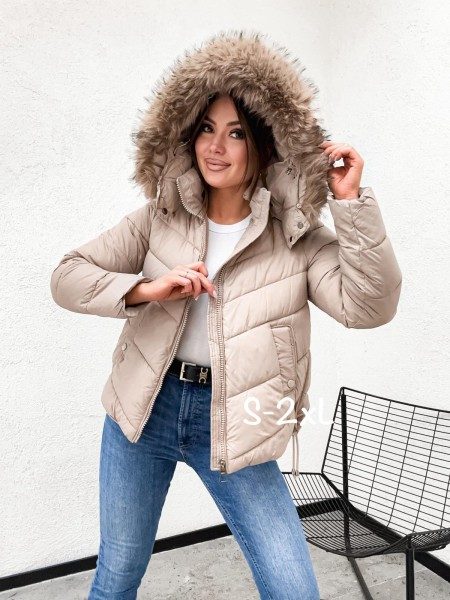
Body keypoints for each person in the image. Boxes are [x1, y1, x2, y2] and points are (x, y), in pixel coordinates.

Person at [50, 30, 402, 600]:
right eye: (206, 129)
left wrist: (350, 203)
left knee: (294, 591)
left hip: (238, 418)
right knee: (116, 577)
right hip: (143, 412)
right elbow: (68, 275)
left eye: (236, 132)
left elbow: (370, 306)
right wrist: (147, 289)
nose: (216, 147)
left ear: (264, 143)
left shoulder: (296, 240)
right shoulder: (158, 218)